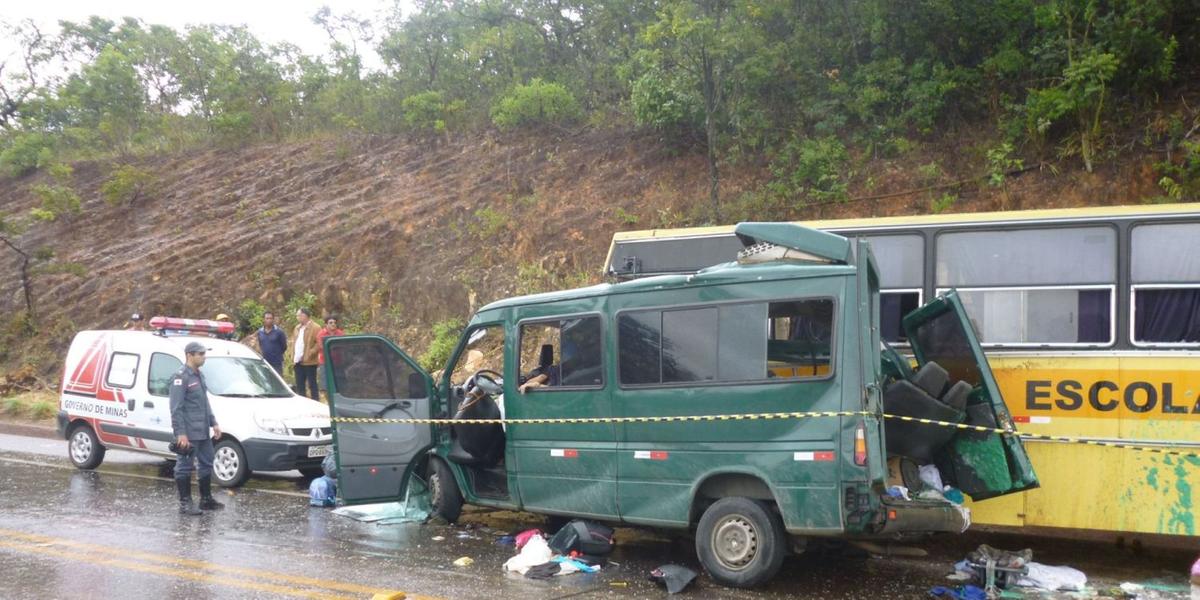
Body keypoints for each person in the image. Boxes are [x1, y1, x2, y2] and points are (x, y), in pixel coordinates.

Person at [170, 341, 223, 515]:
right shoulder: (181, 377)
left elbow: (204, 402)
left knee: (207, 461)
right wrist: (180, 434)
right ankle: (185, 504)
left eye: (204, 354)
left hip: (202, 430)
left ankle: (206, 499)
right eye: (200, 354)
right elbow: (176, 408)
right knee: (184, 466)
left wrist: (213, 422)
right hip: (189, 431)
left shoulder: (199, 375)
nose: (203, 357)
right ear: (189, 355)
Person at [293, 308, 321, 399]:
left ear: (304, 316)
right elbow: (295, 342)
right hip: (298, 361)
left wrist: (311, 352)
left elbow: (319, 343)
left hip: (309, 361)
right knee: (300, 385)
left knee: (312, 384)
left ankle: (316, 403)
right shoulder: (297, 328)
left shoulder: (316, 327)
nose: (297, 317)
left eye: (298, 315)